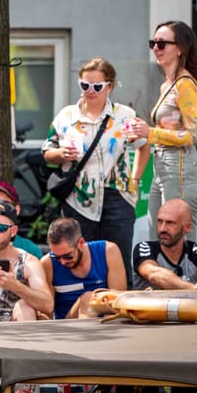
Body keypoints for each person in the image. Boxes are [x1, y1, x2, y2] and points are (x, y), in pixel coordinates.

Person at [42, 57, 146, 285]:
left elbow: (143, 147)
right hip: (78, 198)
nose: (90, 91)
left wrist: (135, 181)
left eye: (97, 86)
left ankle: (120, 311)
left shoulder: (124, 115)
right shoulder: (66, 116)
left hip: (117, 196)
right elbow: (47, 151)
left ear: (109, 86)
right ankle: (82, 309)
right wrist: (61, 154)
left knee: (118, 259)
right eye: (84, 85)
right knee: (80, 259)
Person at [128, 21, 197, 241]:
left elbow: (195, 135)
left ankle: (189, 277)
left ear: (180, 48)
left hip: (180, 170)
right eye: (153, 43)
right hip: (163, 167)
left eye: (162, 43)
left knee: (177, 242)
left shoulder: (184, 84)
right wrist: (142, 132)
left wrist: (150, 133)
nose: (156, 48)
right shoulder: (168, 84)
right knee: (156, 238)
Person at [41, 217, 127, 319]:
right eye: (56, 257)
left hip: (106, 321)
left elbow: (117, 303)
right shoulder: (48, 263)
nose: (62, 262)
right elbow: (47, 311)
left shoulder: (109, 251)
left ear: (81, 243)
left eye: (68, 256)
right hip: (67, 323)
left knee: (88, 298)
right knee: (88, 298)